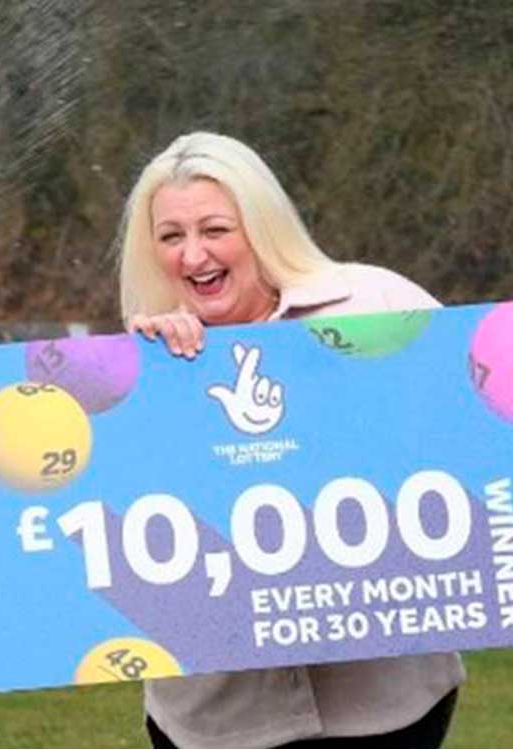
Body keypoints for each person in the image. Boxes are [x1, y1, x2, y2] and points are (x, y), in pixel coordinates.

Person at [117, 131, 462, 748]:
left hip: (387, 703)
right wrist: (152, 383)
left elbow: (471, 422)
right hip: (219, 719)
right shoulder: (143, 363)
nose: (193, 255)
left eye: (215, 230)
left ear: (262, 227)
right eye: (170, 237)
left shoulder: (375, 304)